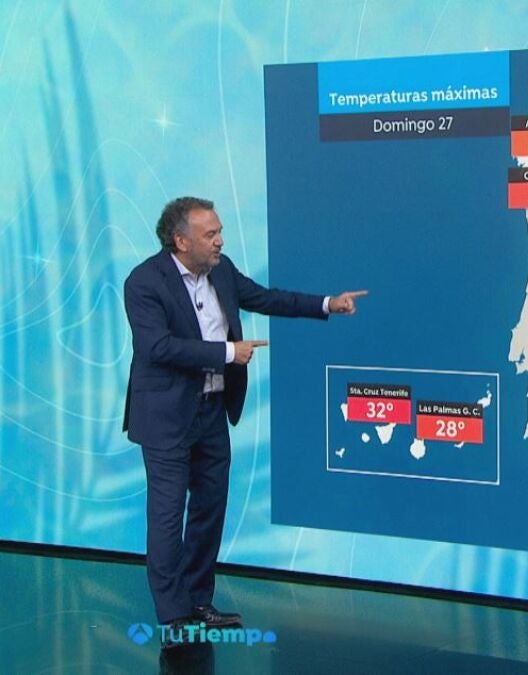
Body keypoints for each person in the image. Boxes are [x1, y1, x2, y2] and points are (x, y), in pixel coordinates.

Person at [123, 196, 366, 649]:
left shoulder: (222, 270)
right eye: (210, 234)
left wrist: (327, 304)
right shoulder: (144, 282)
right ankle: (173, 617)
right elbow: (158, 348)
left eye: (219, 231)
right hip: (167, 418)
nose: (220, 240)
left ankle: (198, 601)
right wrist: (228, 352)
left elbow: (266, 298)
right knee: (167, 517)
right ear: (181, 241)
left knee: (209, 510)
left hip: (213, 411)